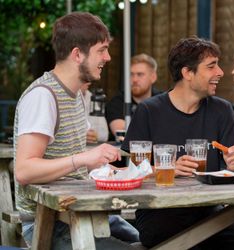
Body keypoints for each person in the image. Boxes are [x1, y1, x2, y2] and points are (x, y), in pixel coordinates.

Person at [13, 12, 139, 249]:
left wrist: (100, 164)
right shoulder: (43, 96)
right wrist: (83, 158)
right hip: (48, 222)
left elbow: (71, 163)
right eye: (101, 50)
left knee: (153, 239)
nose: (108, 57)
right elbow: (24, 170)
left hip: (84, 210)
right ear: (77, 54)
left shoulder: (77, 95)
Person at [121, 37, 234, 249]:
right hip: (159, 212)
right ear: (187, 73)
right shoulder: (149, 111)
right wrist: (167, 168)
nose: (220, 72)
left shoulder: (222, 110)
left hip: (208, 211)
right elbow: (131, 171)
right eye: (211, 66)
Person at [105, 53, 162, 138]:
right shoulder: (118, 101)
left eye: (140, 74)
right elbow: (122, 134)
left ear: (153, 77)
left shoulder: (162, 101)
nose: (134, 79)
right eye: (131, 74)